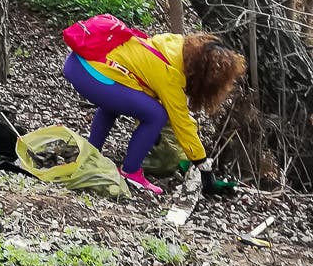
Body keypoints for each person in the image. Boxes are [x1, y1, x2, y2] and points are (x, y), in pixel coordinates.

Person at [63, 31, 246, 195]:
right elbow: (182, 123)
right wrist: (201, 162)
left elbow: (147, 79)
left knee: (114, 100)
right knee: (157, 115)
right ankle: (131, 172)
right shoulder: (171, 76)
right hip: (92, 73)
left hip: (78, 63)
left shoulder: (173, 45)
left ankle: (90, 154)